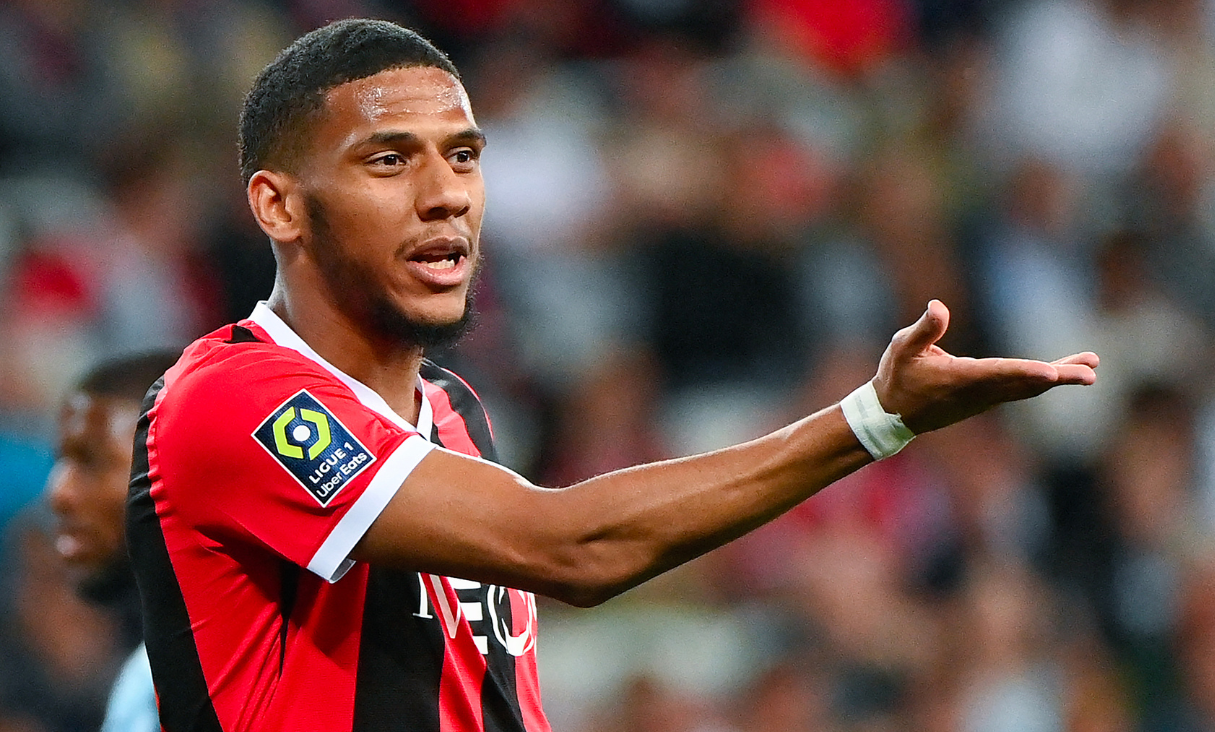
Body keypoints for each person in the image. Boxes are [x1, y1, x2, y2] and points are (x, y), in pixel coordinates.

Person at [124, 18, 1100, 732]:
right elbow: (573, 549)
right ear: (279, 206)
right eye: (389, 161)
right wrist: (871, 420)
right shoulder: (231, 397)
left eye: (462, 157)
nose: (445, 195)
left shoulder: (453, 412)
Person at [46, 351, 179, 732]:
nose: (59, 492)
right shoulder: (144, 681)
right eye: (62, 460)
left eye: (91, 461)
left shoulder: (285, 671)